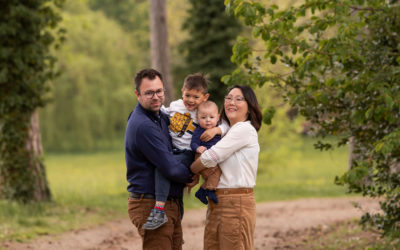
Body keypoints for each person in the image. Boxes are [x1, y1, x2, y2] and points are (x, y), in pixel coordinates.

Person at [142, 73, 228, 230]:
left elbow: (224, 124)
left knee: (163, 168)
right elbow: (162, 113)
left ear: (204, 97)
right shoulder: (175, 106)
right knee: (176, 188)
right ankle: (176, 226)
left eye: (196, 97)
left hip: (188, 153)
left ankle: (159, 210)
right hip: (172, 150)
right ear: (182, 91)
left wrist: (216, 129)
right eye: (188, 95)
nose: (190, 100)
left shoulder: (202, 111)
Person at [125, 68, 194, 249]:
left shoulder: (160, 117)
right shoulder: (143, 125)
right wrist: (192, 175)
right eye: (149, 93)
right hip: (150, 204)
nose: (155, 97)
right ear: (137, 94)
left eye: (159, 91)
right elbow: (170, 167)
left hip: (168, 204)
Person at [190, 85, 263, 250]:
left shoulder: (244, 129)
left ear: (249, 108)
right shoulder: (225, 131)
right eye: (229, 98)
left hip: (235, 203)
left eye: (239, 99)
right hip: (217, 201)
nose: (231, 102)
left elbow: (210, 157)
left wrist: (192, 170)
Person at [190, 101, 222, 205]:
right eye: (203, 118)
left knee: (215, 174)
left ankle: (203, 191)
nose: (208, 120)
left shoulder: (219, 129)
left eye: (211, 117)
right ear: (198, 118)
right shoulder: (199, 130)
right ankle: (209, 190)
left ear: (217, 117)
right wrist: (197, 148)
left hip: (212, 158)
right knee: (215, 173)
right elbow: (193, 143)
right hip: (201, 156)